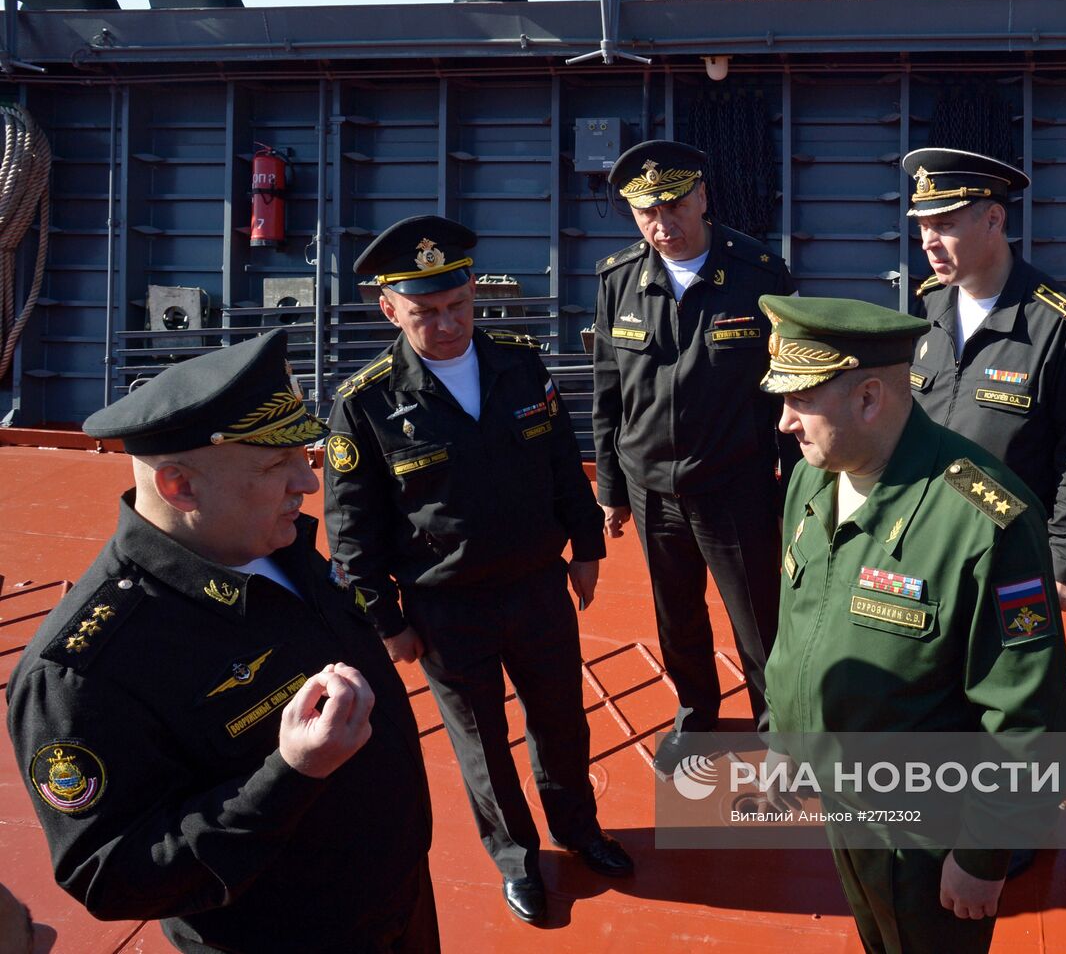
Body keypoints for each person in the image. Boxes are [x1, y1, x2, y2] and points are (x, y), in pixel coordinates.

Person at [5, 329, 438, 953]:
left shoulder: (278, 545)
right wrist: (290, 774)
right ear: (181, 487)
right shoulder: (85, 670)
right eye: (275, 465)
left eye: (303, 455)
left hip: (397, 898)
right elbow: (111, 876)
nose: (309, 483)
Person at [324, 215, 631, 926]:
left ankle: (577, 829)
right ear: (390, 310)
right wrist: (386, 622)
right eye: (426, 312)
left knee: (561, 721)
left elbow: (562, 459)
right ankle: (517, 859)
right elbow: (351, 530)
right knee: (482, 743)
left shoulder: (518, 365)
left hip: (536, 587)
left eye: (457, 305)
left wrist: (586, 547)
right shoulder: (365, 402)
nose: (447, 323)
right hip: (444, 608)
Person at [758, 294, 1066, 954]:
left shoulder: (986, 521)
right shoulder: (810, 480)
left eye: (800, 401)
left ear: (869, 399)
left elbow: (1027, 716)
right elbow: (798, 626)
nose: (783, 421)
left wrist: (981, 855)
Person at [592, 139, 797, 774]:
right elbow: (607, 390)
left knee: (759, 618)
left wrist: (795, 489)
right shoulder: (618, 280)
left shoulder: (760, 274)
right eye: (647, 213)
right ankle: (696, 716)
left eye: (675, 205)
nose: (663, 224)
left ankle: (778, 729)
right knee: (676, 616)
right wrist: (609, 490)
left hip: (735, 485)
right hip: (651, 487)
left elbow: (789, 387)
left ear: (702, 197)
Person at [903, 148, 1066, 612]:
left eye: (944, 226)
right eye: (922, 227)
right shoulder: (926, 308)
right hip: (925, 541)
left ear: (994, 220)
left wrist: (1064, 557)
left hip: (1010, 550)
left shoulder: (1059, 323)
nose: (927, 242)